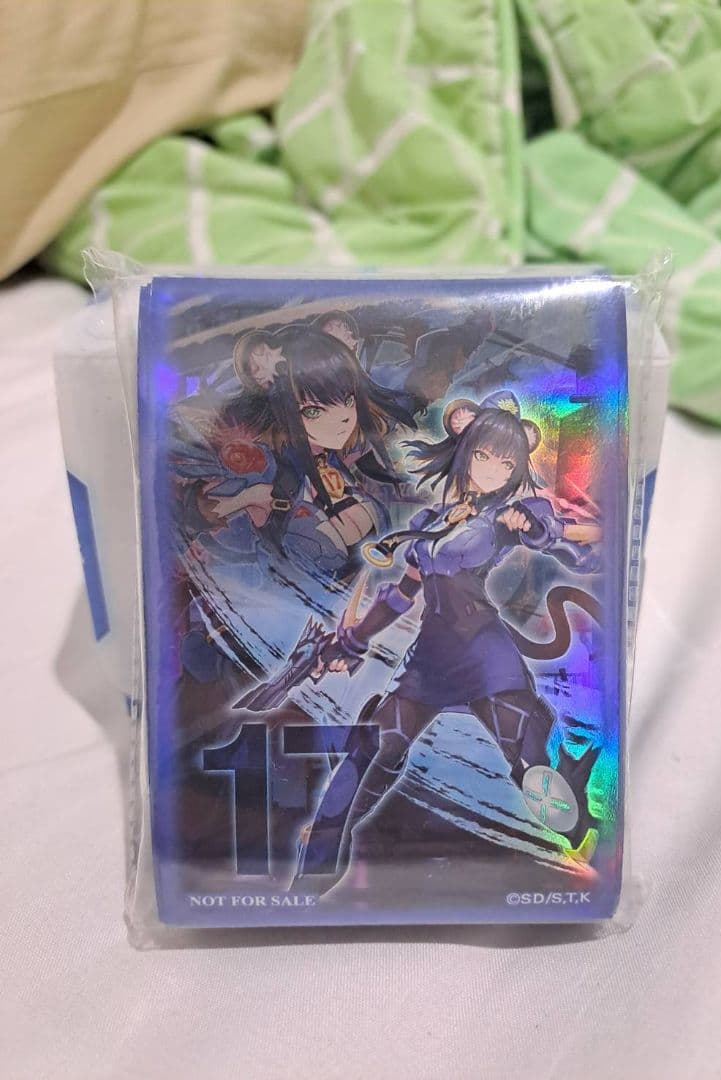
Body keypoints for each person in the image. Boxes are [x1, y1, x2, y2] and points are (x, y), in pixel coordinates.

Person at [290, 390, 602, 891]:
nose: (493, 471)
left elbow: (546, 527)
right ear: (465, 449)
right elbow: (402, 594)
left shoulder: (506, 516)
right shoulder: (428, 524)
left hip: (484, 655)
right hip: (430, 659)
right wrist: (351, 642)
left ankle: (587, 839)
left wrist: (533, 523)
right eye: (485, 456)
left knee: (533, 770)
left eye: (506, 464)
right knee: (373, 748)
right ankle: (314, 871)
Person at [173, 323, 418, 580]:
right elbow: (193, 519)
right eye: (313, 411)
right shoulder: (267, 479)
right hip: (296, 601)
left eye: (348, 399)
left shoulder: (338, 458)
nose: (344, 417)